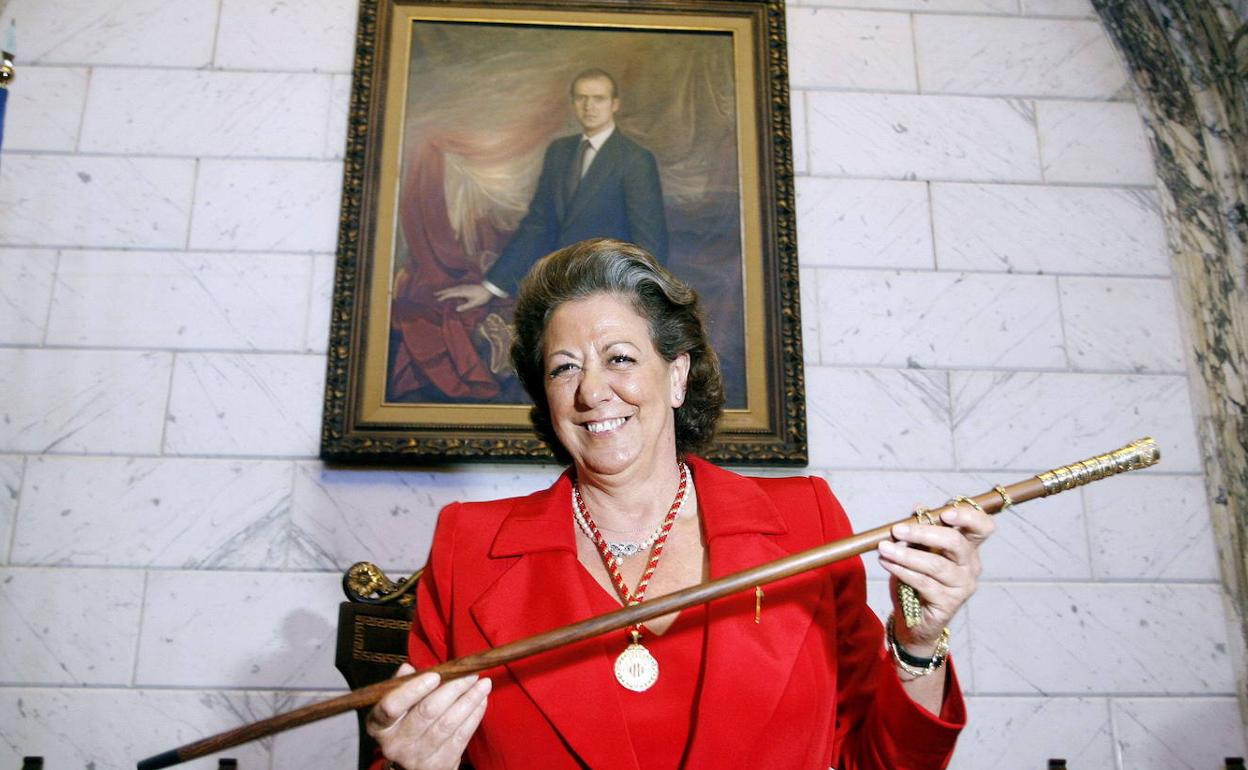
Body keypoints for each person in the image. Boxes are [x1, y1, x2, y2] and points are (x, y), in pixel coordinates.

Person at [367, 238, 994, 770]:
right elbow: (413, 743)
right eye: (563, 369)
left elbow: (873, 761)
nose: (591, 391)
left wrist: (918, 640)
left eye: (619, 358)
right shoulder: (469, 544)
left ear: (675, 376)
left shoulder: (806, 522)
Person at [435, 69, 669, 313]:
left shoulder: (635, 159)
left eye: (598, 98)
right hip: (556, 288)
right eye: (581, 98)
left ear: (615, 104)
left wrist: (634, 305)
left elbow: (650, 243)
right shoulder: (559, 152)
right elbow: (537, 224)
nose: (589, 106)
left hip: (609, 293)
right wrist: (491, 287)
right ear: (573, 103)